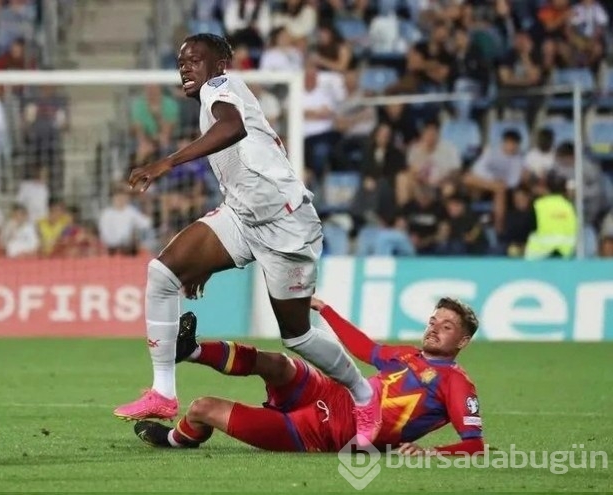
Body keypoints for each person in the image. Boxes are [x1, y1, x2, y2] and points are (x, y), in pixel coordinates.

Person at [115, 33, 377, 444]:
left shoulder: (221, 88)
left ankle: (364, 395)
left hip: (286, 226)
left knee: (297, 335)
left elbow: (232, 127)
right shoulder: (212, 97)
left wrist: (168, 161)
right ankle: (163, 392)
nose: (186, 67)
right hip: (243, 217)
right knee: (164, 273)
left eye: (195, 60)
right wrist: (205, 262)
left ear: (220, 64)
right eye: (181, 61)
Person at [134, 296, 485, 456]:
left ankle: (174, 441)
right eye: (433, 321)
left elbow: (475, 444)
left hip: (326, 433)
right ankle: (189, 350)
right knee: (279, 363)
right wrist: (325, 310)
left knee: (202, 407)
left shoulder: (456, 382)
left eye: (447, 326)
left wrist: (434, 453)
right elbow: (366, 350)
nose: (434, 329)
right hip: (332, 395)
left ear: (464, 341)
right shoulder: (408, 354)